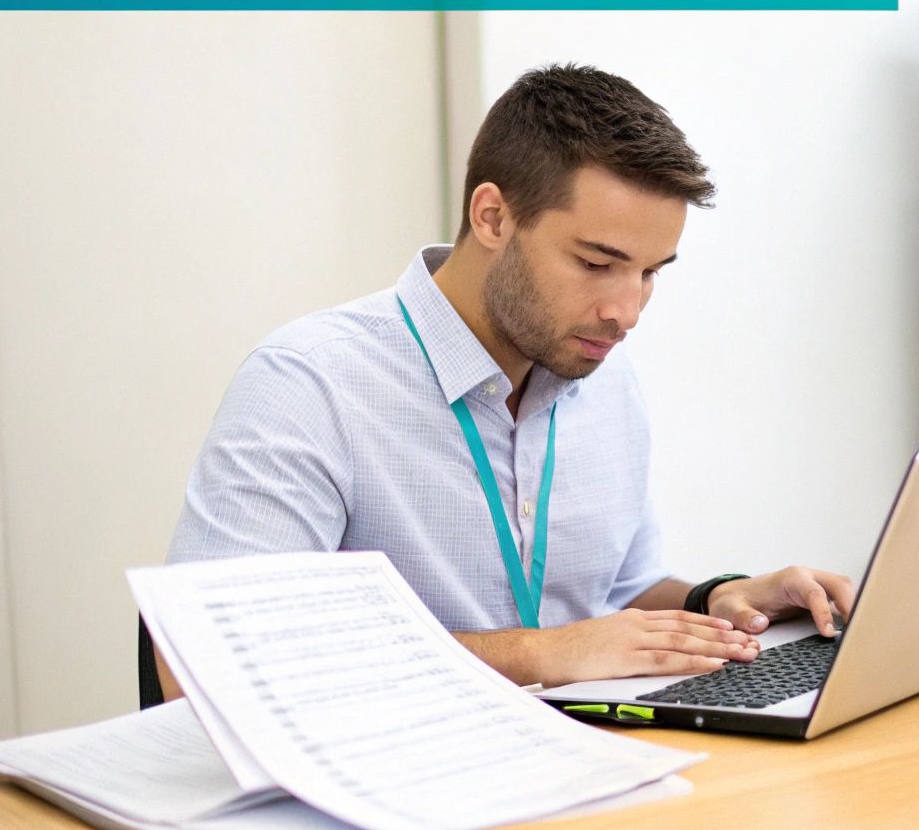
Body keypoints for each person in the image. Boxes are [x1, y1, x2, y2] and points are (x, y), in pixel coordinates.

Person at [158, 64, 853, 698]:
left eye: (649, 273)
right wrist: (537, 654)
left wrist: (717, 599)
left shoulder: (604, 376)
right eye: (596, 263)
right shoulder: (309, 384)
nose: (627, 312)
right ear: (492, 216)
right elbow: (206, 666)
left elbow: (616, 594)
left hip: (587, 754)